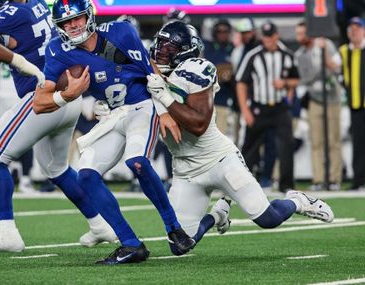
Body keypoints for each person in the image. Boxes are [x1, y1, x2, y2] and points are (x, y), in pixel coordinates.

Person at [33, 0, 195, 264]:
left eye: (77, 18)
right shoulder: (57, 49)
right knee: (86, 175)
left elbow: (151, 72)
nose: (72, 26)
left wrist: (165, 112)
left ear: (89, 16)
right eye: (65, 22)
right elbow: (40, 102)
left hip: (142, 106)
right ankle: (130, 244)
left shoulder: (121, 32)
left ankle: (174, 229)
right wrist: (68, 96)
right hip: (114, 115)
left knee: (137, 162)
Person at [0, 0, 115, 253]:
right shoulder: (35, 0)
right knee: (57, 169)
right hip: (68, 98)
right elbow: (6, 19)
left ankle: (8, 233)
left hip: (42, 98)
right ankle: (100, 225)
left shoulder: (3, 19)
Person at [146, 20, 334, 243]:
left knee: (268, 218)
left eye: (168, 48)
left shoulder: (196, 69)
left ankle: (297, 201)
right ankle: (218, 214)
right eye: (160, 45)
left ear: (185, 51)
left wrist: (164, 96)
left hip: (218, 159)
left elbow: (198, 125)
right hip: (185, 170)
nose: (160, 53)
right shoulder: (149, 74)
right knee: (180, 244)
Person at [235, 21, 299, 193]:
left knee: (286, 146)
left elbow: (296, 79)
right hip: (258, 108)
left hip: (280, 108)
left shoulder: (287, 55)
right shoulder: (253, 55)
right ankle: (242, 185)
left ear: (276, 36)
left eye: (270, 36)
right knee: (249, 148)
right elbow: (241, 83)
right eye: (265, 36)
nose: (268, 40)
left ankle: (286, 185)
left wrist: (285, 83)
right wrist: (245, 110)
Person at [295, 21, 342, 191]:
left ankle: (334, 178)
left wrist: (325, 54)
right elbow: (306, 78)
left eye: (302, 34)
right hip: (314, 99)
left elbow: (336, 68)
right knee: (317, 141)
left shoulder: (326, 44)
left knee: (334, 140)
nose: (299, 38)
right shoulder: (300, 55)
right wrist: (322, 67)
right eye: (298, 34)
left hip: (332, 98)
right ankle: (319, 178)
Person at [339, 17, 365, 190]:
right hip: (355, 105)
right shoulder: (343, 51)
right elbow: (332, 65)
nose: (354, 32)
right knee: (358, 144)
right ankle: (358, 180)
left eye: (357, 28)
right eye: (351, 29)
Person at [203, 19, 234, 136]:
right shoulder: (207, 48)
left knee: (222, 137)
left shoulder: (233, 49)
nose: (222, 34)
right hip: (205, 102)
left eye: (225, 31)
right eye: (219, 31)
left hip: (224, 100)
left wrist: (230, 76)